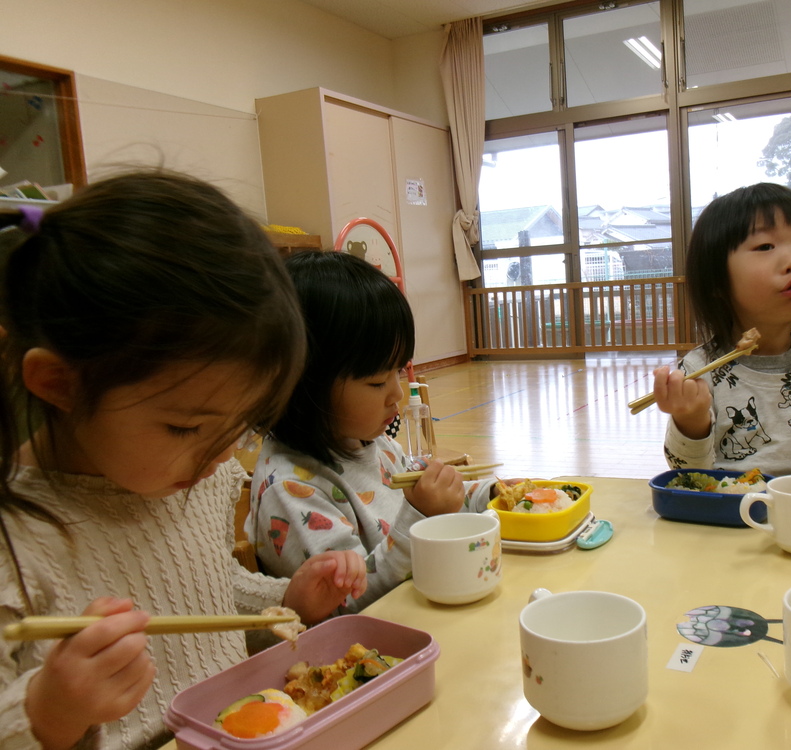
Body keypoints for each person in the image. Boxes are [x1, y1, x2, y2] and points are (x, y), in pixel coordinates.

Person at [0, 172, 368, 750]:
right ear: (58, 384)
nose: (222, 457)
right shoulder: (15, 537)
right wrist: (49, 711)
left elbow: (205, 589)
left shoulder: (195, 478)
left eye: (241, 425)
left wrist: (282, 601)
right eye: (185, 426)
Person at [247, 251, 496, 610]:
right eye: (378, 382)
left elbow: (433, 489)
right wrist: (423, 518)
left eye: (399, 371)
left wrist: (491, 493)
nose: (397, 393)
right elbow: (349, 601)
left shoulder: (373, 442)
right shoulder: (290, 490)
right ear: (302, 384)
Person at [652, 182, 791, 485]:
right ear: (716, 280)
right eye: (765, 247)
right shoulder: (699, 370)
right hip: (729, 518)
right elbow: (690, 477)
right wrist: (691, 422)